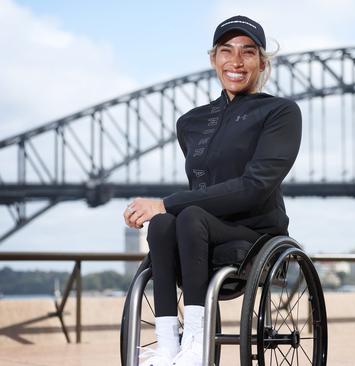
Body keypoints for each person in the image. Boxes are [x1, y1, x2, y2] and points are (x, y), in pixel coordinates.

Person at [123, 15, 301, 366]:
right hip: (199, 232)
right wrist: (162, 212)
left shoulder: (280, 112)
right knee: (161, 225)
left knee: (185, 216)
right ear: (213, 58)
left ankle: (196, 343)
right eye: (226, 51)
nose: (236, 61)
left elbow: (254, 188)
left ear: (262, 62)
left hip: (255, 235)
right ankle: (168, 344)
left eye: (248, 52)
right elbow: (203, 187)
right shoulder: (190, 122)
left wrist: (164, 203)